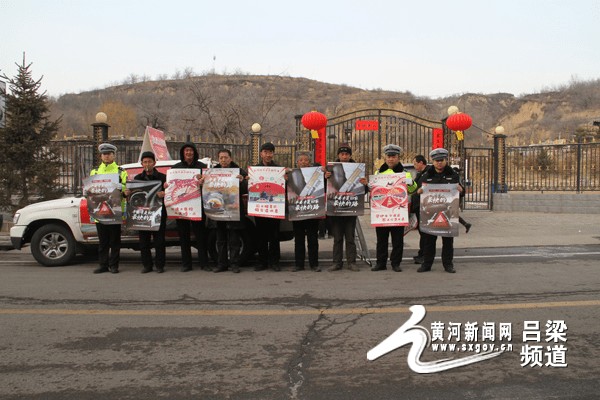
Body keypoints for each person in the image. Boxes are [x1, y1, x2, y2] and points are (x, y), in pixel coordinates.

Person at [368, 144, 417, 272]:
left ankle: (396, 263)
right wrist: (369, 186)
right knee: (381, 240)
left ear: (398, 157)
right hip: (382, 212)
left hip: (397, 211)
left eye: (393, 157)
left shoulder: (405, 173)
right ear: (385, 157)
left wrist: (411, 183)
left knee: (397, 240)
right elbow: (375, 191)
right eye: (389, 156)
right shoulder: (378, 173)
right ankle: (381, 263)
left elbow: (412, 191)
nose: (391, 159)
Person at [416, 148, 462, 273]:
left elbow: (459, 194)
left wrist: (460, 190)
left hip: (447, 213)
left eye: (441, 160)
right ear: (433, 161)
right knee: (429, 242)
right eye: (436, 161)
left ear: (446, 160)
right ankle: (426, 264)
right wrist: (419, 191)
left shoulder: (453, 175)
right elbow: (418, 191)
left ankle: (448, 264)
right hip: (430, 214)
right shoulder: (426, 175)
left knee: (448, 241)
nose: (439, 163)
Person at [324, 144, 368, 272]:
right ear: (338, 155)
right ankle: (337, 263)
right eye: (342, 154)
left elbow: (362, 192)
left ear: (350, 156)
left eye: (347, 154)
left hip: (350, 209)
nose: (344, 156)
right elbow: (324, 188)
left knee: (350, 238)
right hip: (336, 208)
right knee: (337, 238)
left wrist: (364, 185)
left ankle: (351, 262)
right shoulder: (331, 169)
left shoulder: (357, 170)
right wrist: (325, 177)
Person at [167, 142, 209, 272]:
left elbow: (209, 185)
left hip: (197, 208)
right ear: (183, 153)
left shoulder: (202, 167)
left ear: (194, 152)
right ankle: (186, 264)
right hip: (181, 208)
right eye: (186, 151)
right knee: (183, 237)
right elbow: (170, 185)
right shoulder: (176, 168)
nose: (188, 152)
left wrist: (203, 181)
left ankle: (204, 264)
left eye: (191, 150)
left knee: (200, 237)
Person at [124, 151, 167, 274]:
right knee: (144, 242)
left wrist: (164, 194)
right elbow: (132, 197)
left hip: (158, 214)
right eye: (145, 162)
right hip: (142, 215)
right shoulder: (137, 179)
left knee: (159, 242)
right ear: (142, 164)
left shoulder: (162, 177)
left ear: (154, 163)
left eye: (150, 161)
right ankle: (147, 265)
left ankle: (160, 265)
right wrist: (127, 194)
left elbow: (170, 195)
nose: (147, 164)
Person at [91, 143, 128, 274]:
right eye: (104, 154)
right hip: (100, 212)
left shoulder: (120, 172)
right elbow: (89, 192)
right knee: (103, 242)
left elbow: (127, 189)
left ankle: (114, 265)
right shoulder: (95, 172)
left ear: (113, 155)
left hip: (114, 211)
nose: (106, 156)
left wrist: (121, 188)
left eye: (109, 153)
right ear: (101, 156)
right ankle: (103, 265)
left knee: (115, 241)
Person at [212, 149, 247, 274]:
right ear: (218, 159)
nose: (223, 160)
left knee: (234, 239)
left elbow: (246, 190)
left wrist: (242, 181)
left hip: (234, 209)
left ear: (230, 159)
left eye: (226, 157)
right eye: (221, 158)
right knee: (220, 239)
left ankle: (235, 264)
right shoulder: (213, 172)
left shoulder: (238, 171)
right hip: (219, 209)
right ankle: (222, 264)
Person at [251, 142, 282, 272]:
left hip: (275, 207)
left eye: (270, 152)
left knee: (274, 236)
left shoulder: (279, 169)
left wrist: (285, 178)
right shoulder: (255, 170)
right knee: (261, 236)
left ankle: (275, 262)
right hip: (260, 207)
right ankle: (262, 261)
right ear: (261, 154)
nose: (268, 155)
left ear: (273, 154)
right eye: (265, 152)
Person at [288, 153, 321, 272]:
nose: (303, 162)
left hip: (312, 210)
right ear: (297, 162)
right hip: (297, 210)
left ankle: (314, 264)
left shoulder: (317, 173)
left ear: (310, 162)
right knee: (299, 239)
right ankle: (299, 264)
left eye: (306, 160)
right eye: (301, 160)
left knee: (313, 239)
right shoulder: (292, 174)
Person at [411, 154, 429, 265]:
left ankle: (424, 255)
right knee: (422, 233)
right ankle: (421, 253)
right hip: (418, 207)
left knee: (425, 234)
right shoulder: (421, 174)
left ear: (421, 163)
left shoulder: (429, 173)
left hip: (424, 207)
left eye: (415, 164)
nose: (415, 166)